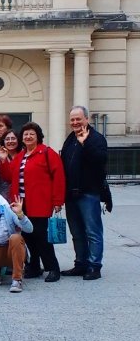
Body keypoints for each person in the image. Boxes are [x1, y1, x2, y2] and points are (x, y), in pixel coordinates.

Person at [0, 122, 65, 282]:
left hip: (40, 202)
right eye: (25, 134)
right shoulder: (21, 155)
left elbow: (59, 177)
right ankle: (34, 266)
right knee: (28, 236)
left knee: (42, 237)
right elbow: (8, 175)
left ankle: (53, 268)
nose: (28, 137)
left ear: (38, 137)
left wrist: (58, 200)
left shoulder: (47, 153)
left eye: (31, 134)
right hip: (22, 204)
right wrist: (3, 160)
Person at [60, 106, 108, 280]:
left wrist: (85, 144)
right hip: (71, 194)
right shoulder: (70, 138)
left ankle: (94, 266)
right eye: (72, 119)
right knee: (77, 233)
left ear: (87, 119)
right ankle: (81, 264)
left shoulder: (96, 138)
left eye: (78, 119)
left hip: (88, 193)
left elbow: (100, 160)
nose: (75, 122)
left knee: (92, 232)